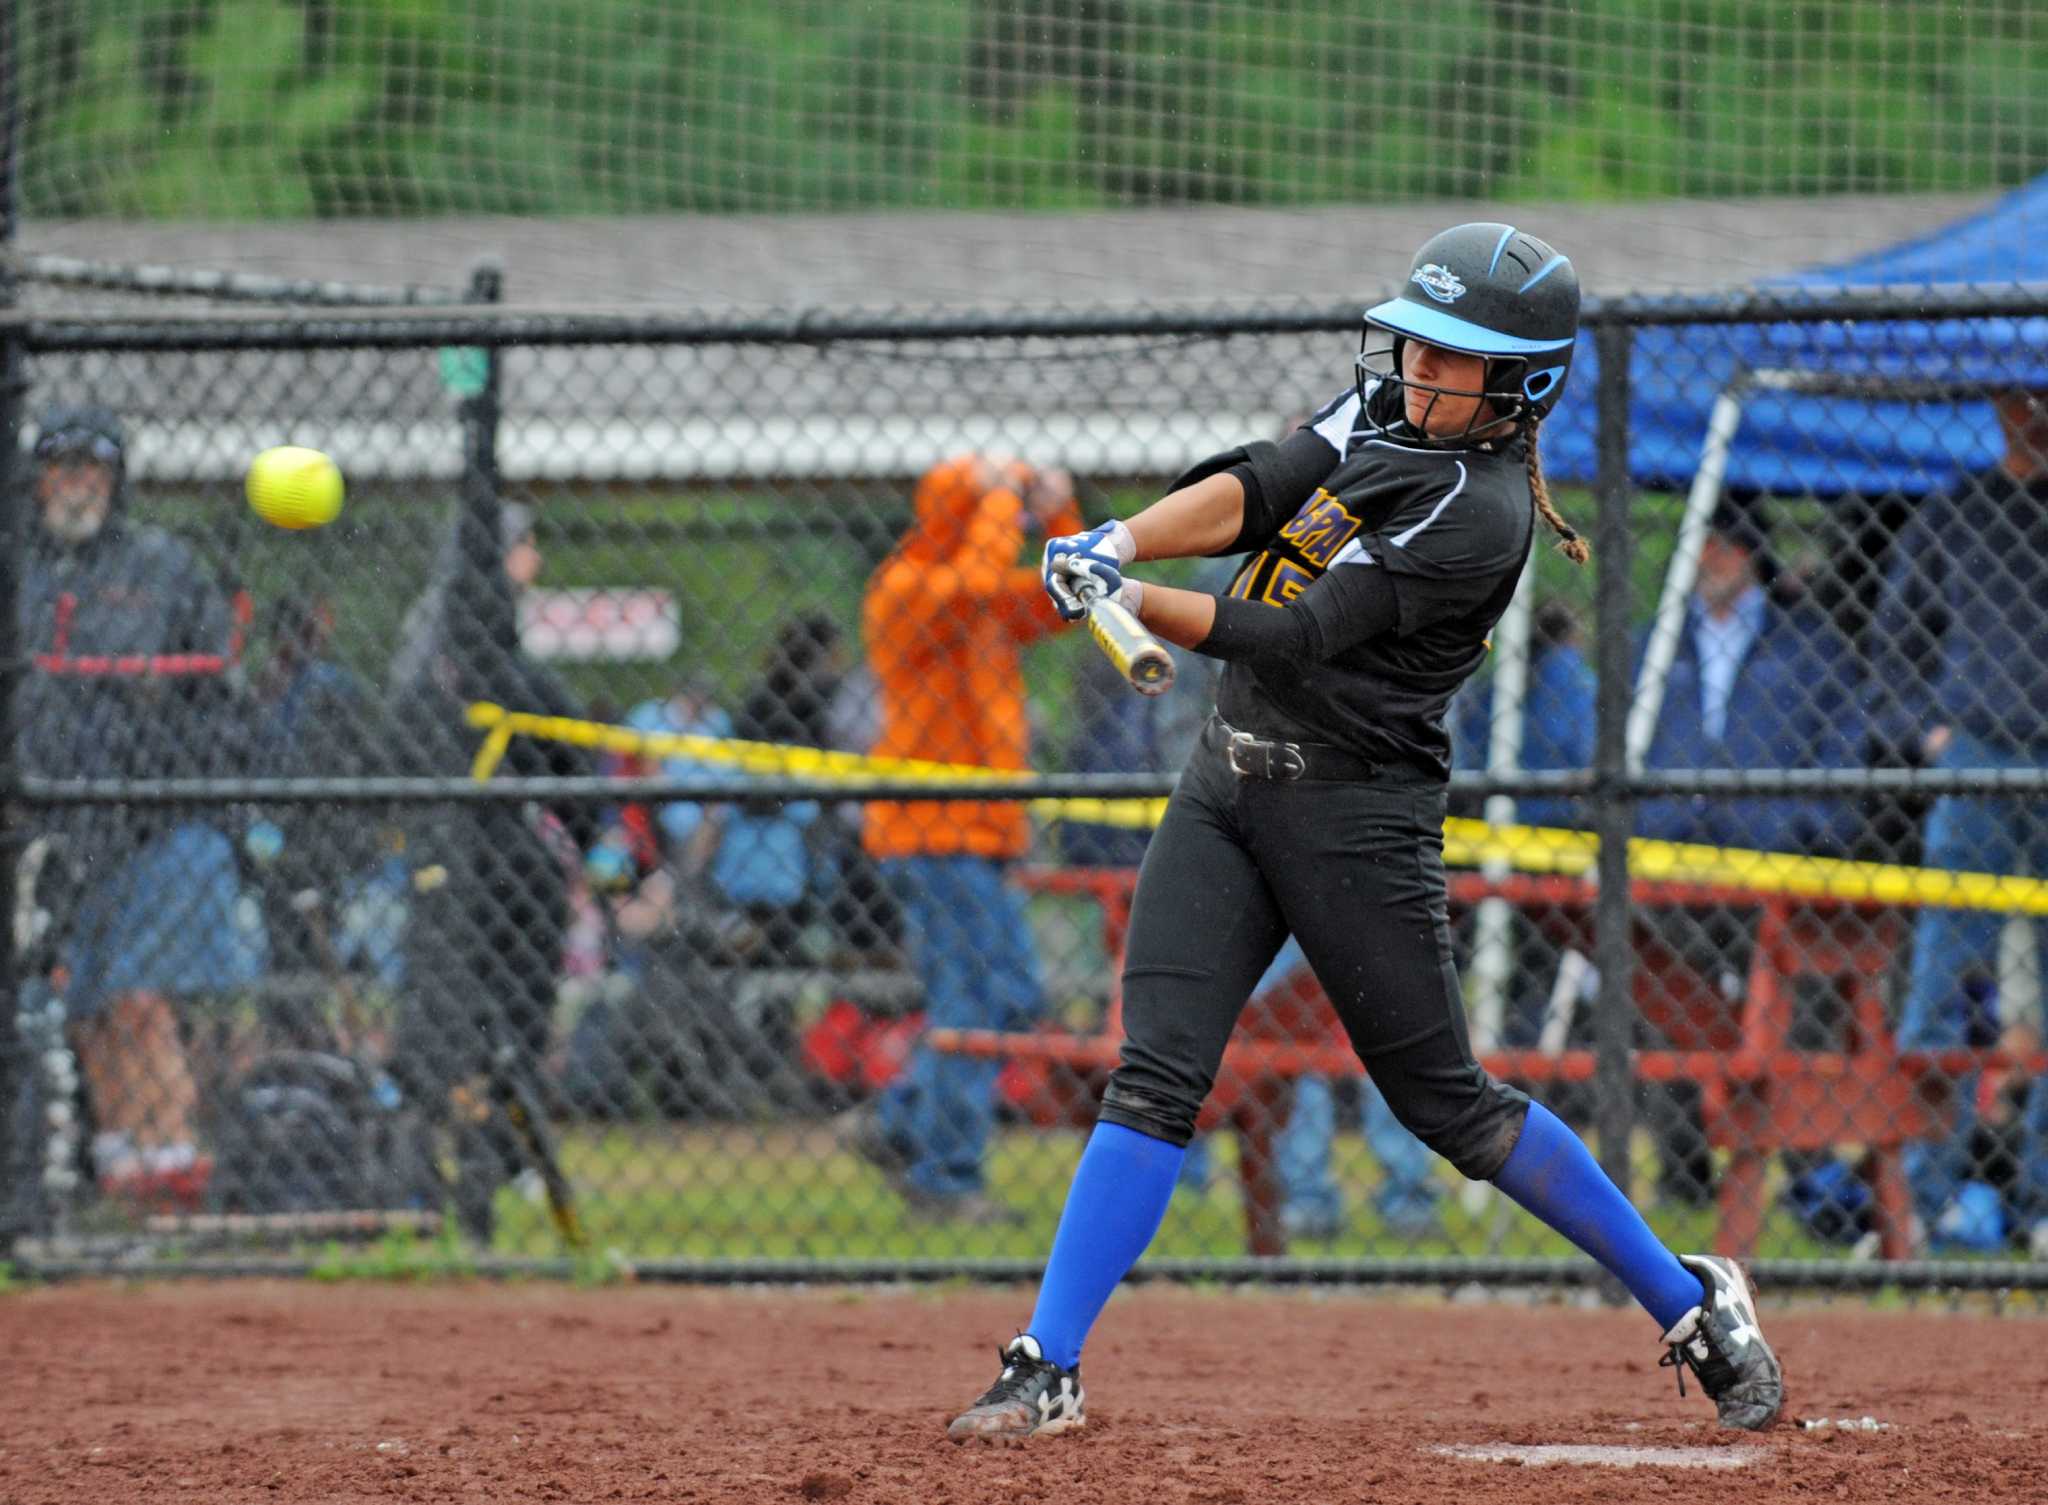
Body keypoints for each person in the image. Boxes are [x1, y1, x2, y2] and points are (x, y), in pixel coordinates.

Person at [944, 224, 1783, 1441]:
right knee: (1155, 1069)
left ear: (1519, 388)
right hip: (1228, 787)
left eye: (1451, 359)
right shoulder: (1386, 415)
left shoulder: (1478, 514)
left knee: (1448, 1106)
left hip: (1355, 817)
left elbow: (1287, 634)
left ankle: (1687, 1296)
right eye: (1416, 346)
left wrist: (1129, 603)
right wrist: (1117, 540)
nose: (1413, 370)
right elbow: (1265, 480)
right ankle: (1045, 1361)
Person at [16, 404, 267, 1209]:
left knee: (139, 997)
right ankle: (125, 1163)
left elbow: (219, 700)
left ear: (117, 481)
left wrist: (166, 723)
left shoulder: (163, 565)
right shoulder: (19, 567)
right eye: (63, 466)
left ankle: (171, 1157)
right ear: (37, 476)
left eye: (94, 468)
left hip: (158, 817)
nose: (78, 483)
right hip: (55, 823)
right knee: (83, 1000)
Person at [840, 456, 1082, 1223]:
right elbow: (976, 583)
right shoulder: (905, 590)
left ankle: (896, 1123)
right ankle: (945, 1175)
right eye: (984, 506)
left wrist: (1060, 513)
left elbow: (1066, 598)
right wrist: (1003, 501)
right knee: (975, 1001)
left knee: (1010, 997)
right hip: (931, 832)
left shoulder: (977, 595)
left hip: (979, 832)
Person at [1632, 499, 1865, 1207]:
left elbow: (1846, 746)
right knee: (1670, 1009)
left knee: (1796, 1018)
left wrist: (1802, 827)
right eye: (1701, 545)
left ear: (1753, 553)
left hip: (1774, 860)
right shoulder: (1659, 639)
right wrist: (1649, 819)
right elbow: (1615, 734)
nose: (1711, 559)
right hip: (1675, 857)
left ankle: (1807, 1181)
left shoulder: (1811, 643)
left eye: (1727, 545)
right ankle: (1683, 1176)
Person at [385, 492, 596, 1242]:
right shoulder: (469, 645)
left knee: (461, 1020)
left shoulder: (433, 635)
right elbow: (573, 760)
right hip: (500, 860)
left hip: (452, 858)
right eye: (524, 546)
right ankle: (473, 1167)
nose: (532, 560)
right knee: (491, 1022)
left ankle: (465, 1171)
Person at [1875, 388, 2048, 1254]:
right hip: (1979, 752)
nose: (2036, 413)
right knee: (1944, 981)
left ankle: (2041, 1207)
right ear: (1995, 405)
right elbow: (1894, 645)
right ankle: (1924, 1206)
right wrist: (1930, 733)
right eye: (2022, 396)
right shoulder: (1957, 511)